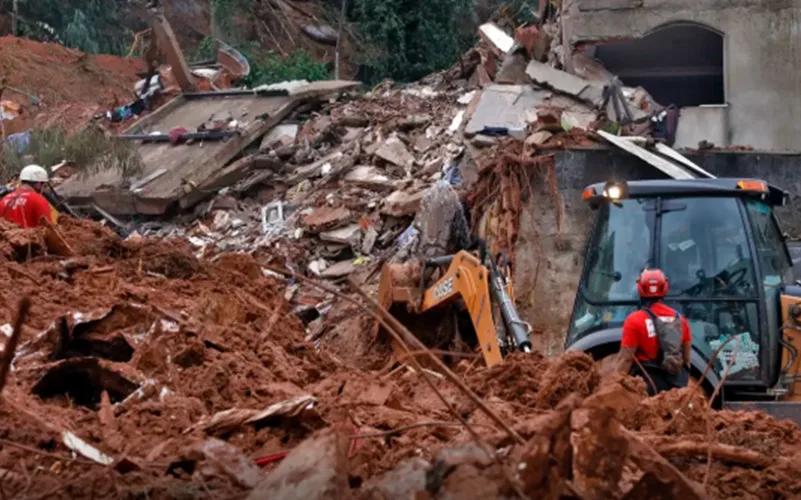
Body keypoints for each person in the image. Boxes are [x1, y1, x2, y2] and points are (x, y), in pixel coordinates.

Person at [618, 268, 692, 395]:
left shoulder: (634, 320)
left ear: (640, 288)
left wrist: (616, 383)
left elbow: (627, 359)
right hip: (676, 385)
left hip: (647, 385)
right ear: (665, 288)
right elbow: (686, 359)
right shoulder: (680, 319)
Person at [0, 165, 57, 229]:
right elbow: (49, 230)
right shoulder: (38, 200)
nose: (43, 188)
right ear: (38, 183)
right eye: (44, 185)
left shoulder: (4, 200)